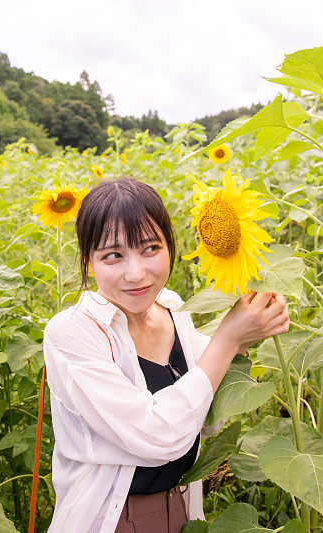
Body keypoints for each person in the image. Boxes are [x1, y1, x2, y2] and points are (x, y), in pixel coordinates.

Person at [43, 177, 290, 532]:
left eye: (150, 249)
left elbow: (206, 413)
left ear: (171, 248)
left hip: (182, 508)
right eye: (113, 255)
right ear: (88, 262)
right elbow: (157, 435)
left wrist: (254, 324)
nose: (136, 273)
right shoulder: (73, 333)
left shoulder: (174, 311)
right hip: (111, 517)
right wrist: (228, 338)